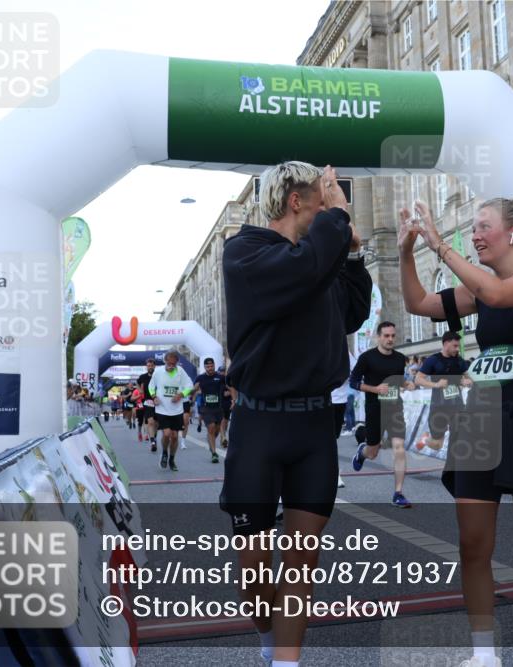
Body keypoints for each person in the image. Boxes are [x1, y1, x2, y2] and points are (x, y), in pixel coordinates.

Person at [400, 195, 513, 667]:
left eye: (483, 226)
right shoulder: (479, 288)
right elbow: (419, 302)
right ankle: (484, 655)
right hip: (481, 417)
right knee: (472, 545)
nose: (476, 234)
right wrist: (407, 250)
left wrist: (440, 244)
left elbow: (502, 295)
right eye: (472, 228)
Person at [220, 162, 371, 666]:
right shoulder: (245, 252)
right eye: (323, 200)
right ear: (297, 201)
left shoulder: (316, 260)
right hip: (259, 427)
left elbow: (353, 311)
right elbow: (303, 269)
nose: (331, 209)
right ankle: (269, 642)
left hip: (312, 428)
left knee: (302, 562)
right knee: (256, 573)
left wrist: (352, 255)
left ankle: (287, 661)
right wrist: (339, 221)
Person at [349, 322, 414, 507]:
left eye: (393, 336)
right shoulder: (367, 358)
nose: (390, 339)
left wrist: (407, 385)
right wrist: (374, 389)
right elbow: (353, 382)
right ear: (379, 337)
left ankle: (398, 493)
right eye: (386, 336)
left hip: (395, 409)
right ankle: (362, 452)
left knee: (399, 449)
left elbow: (399, 382)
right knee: (372, 453)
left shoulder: (400, 358)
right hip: (374, 409)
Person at [415, 331, 472, 451]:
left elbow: (470, 377)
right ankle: (425, 439)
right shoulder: (433, 360)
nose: (457, 349)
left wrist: (467, 381)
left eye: (458, 346)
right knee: (437, 445)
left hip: (457, 406)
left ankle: (456, 466)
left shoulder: (459, 361)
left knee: (460, 438)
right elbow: (418, 379)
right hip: (439, 407)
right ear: (446, 343)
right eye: (455, 346)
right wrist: (436, 384)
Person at [148, 350, 193, 471]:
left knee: (174, 437)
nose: (172, 366)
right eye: (169, 363)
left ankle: (172, 459)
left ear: (177, 363)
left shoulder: (180, 372)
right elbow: (151, 386)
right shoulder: (158, 372)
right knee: (166, 434)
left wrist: (181, 395)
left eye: (174, 363)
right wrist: (154, 397)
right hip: (162, 409)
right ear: (165, 361)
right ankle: (164, 453)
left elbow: (190, 385)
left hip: (177, 410)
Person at [194, 357, 227, 464]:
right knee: (211, 427)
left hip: (218, 408)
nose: (210, 368)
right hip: (206, 407)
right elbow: (194, 390)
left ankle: (210, 441)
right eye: (207, 367)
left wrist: (234, 399)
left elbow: (230, 387)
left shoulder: (220, 377)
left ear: (214, 365)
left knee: (216, 430)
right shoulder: (200, 378)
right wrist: (190, 398)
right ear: (204, 367)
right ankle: (214, 453)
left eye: (211, 366)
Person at [330, 346, 352, 488]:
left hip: (339, 401)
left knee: (333, 440)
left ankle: (334, 474)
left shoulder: (345, 350)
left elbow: (353, 372)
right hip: (321, 400)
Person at [138, 358, 159, 451]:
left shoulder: (158, 376)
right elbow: (137, 383)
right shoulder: (143, 377)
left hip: (158, 402)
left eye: (151, 366)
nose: (150, 367)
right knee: (150, 422)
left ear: (154, 366)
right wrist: (140, 390)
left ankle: (154, 437)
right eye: (148, 366)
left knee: (156, 423)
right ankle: (153, 442)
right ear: (146, 367)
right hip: (148, 401)